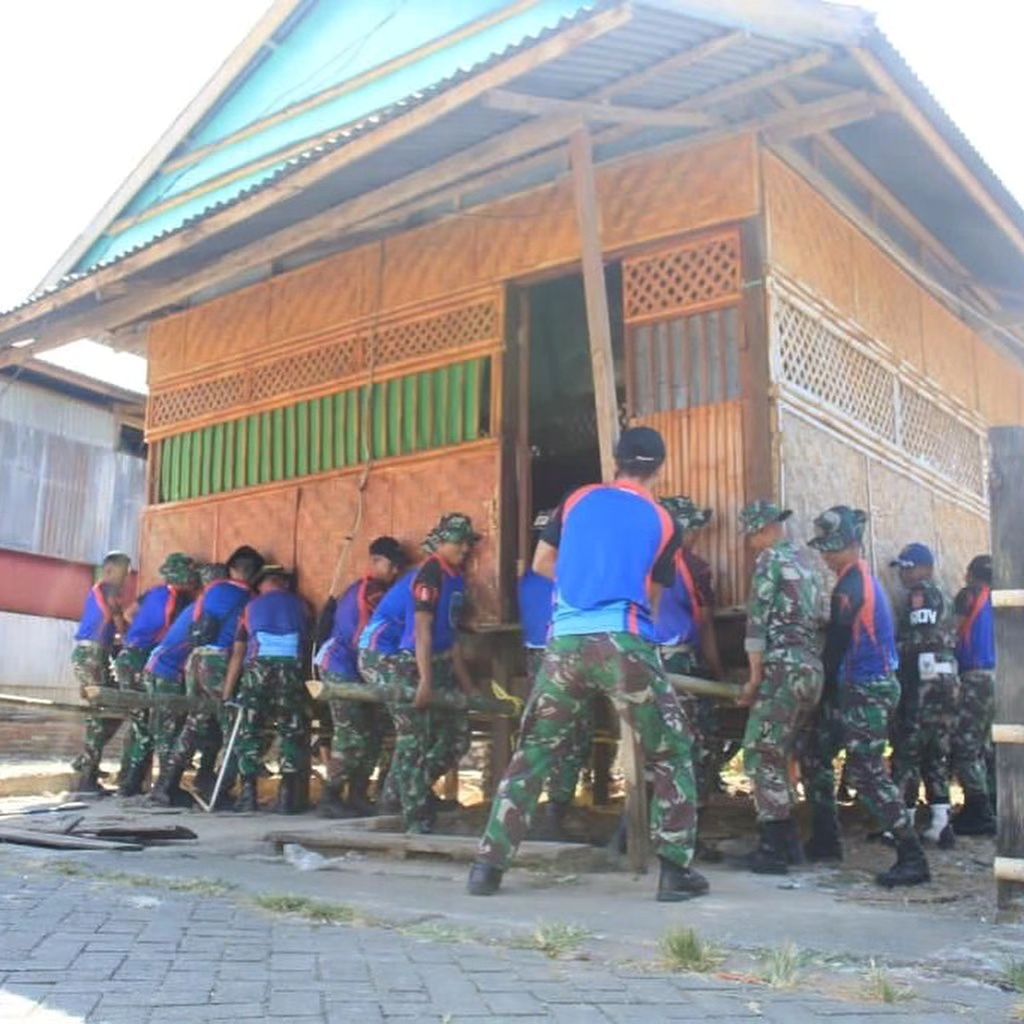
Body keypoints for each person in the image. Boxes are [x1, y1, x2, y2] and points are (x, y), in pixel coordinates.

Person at [469, 427, 706, 902]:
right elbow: (652, 600)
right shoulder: (665, 521)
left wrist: (585, 580)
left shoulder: (577, 500)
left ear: (616, 461)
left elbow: (542, 562)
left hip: (565, 640)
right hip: (623, 637)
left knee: (533, 751)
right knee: (672, 749)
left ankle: (487, 868)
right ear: (660, 468)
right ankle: (674, 872)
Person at [800, 506, 930, 888]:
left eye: (831, 549)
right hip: (857, 687)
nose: (826, 556)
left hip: (866, 688)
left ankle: (912, 855)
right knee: (815, 753)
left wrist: (820, 692)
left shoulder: (852, 586)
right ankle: (825, 839)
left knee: (866, 772)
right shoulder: (855, 581)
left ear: (851, 545)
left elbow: (836, 647)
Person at [362, 515, 479, 834]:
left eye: (468, 543)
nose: (465, 548)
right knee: (415, 734)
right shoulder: (429, 575)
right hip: (388, 655)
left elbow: (449, 637)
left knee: (457, 734)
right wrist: (426, 682)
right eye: (458, 542)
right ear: (441, 543)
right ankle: (415, 816)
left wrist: (468, 687)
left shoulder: (456, 579)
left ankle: (402, 792)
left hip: (426, 656)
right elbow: (421, 633)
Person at [737, 501, 824, 874]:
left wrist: (755, 679)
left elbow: (757, 624)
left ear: (763, 531)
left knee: (760, 752)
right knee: (781, 751)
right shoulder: (809, 565)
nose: (751, 544)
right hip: (811, 669)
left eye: (752, 536)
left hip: (782, 668)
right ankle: (790, 845)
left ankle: (773, 848)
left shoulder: (769, 561)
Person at [315, 537, 408, 818]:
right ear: (376, 561)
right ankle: (331, 795)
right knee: (351, 734)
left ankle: (357, 793)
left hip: (353, 668)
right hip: (340, 666)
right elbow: (368, 637)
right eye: (392, 566)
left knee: (371, 733)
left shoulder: (360, 588)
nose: (396, 572)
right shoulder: (372, 592)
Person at [519, 509, 593, 832]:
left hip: (536, 657)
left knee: (542, 731)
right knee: (575, 734)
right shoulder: (568, 574)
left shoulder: (526, 579)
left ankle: (523, 811)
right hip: (564, 655)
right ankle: (555, 812)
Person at [224, 565, 310, 813]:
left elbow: (239, 651)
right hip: (290, 668)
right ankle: (286, 798)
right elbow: (307, 639)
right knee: (290, 730)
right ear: (284, 583)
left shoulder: (250, 607)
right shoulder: (301, 605)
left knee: (249, 730)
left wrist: (227, 692)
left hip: (258, 668)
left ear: (261, 585)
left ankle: (248, 795)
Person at [889, 543, 959, 849]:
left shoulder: (922, 594)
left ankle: (901, 824)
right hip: (945, 678)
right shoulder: (944, 594)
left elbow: (922, 638)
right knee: (936, 749)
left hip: (924, 680)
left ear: (926, 568)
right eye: (902, 568)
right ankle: (940, 822)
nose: (904, 575)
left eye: (909, 568)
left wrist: (892, 651)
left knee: (909, 747)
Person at [655, 497, 724, 800]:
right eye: (695, 529)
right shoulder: (695, 568)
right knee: (695, 736)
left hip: (641, 659)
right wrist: (717, 672)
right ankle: (691, 810)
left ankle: (649, 812)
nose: (697, 536)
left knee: (655, 738)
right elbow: (705, 625)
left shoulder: (640, 561)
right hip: (678, 662)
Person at [147, 563, 230, 808]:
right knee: (171, 730)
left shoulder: (199, 605)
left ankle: (175, 784)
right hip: (167, 670)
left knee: (192, 727)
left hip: (168, 666)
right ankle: (164, 789)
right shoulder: (209, 607)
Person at [114, 553, 197, 797]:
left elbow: (129, 614)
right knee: (156, 724)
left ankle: (129, 782)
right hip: (145, 659)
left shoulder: (153, 593)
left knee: (139, 723)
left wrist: (135, 634)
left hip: (128, 655)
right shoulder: (178, 599)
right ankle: (155, 785)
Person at [69, 550, 133, 794]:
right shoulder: (108, 588)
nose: (124, 579)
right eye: (122, 573)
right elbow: (117, 619)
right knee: (101, 712)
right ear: (108, 570)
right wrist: (128, 641)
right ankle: (87, 777)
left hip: (95, 654)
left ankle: (87, 761)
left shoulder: (101, 589)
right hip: (92, 655)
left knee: (114, 709)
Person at [951, 554, 998, 836]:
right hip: (999, 676)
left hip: (975, 677)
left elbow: (953, 631)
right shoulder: (1001, 600)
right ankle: (995, 799)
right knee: (987, 743)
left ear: (971, 574)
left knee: (965, 745)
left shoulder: (969, 595)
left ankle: (978, 810)